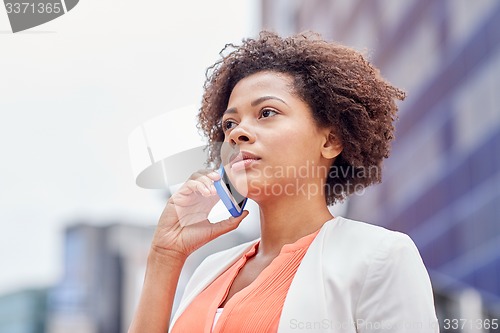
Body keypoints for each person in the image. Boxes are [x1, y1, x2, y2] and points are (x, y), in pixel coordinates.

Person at [128, 31, 439, 333]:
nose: (237, 133)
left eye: (266, 112)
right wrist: (165, 257)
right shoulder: (209, 271)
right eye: (229, 124)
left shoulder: (380, 257)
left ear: (330, 140)